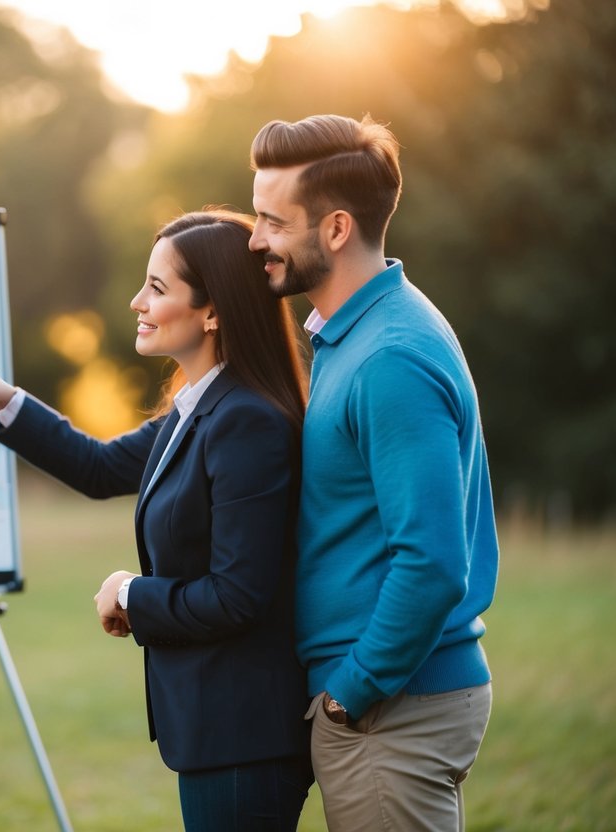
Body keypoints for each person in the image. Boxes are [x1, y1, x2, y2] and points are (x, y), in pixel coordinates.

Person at [0, 209, 313, 831]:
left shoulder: (246, 421)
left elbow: (239, 597)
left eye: (157, 288)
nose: (136, 302)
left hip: (245, 737)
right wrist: (0, 395)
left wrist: (129, 591)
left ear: (213, 312)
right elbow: (98, 468)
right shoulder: (196, 409)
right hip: (219, 734)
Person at [247, 114, 498, 831]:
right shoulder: (356, 332)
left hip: (390, 705)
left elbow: (429, 563)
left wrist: (348, 693)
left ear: (333, 229)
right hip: (387, 699)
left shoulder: (388, 355)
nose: (255, 239)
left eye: (271, 220)